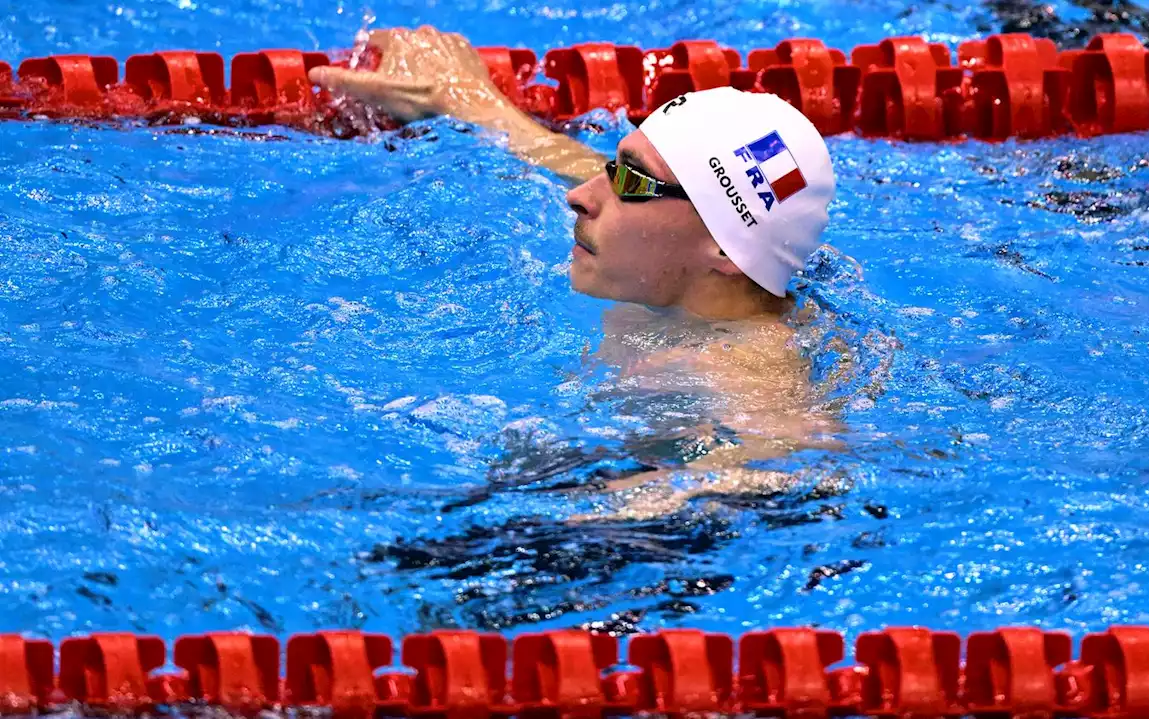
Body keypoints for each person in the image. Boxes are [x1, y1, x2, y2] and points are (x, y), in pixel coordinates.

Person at [309, 27, 873, 519]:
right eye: (610, 165)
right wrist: (476, 104)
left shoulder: (737, 363)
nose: (580, 196)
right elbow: (602, 171)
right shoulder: (698, 265)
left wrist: (602, 514)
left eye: (629, 180)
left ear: (724, 251)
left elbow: (804, 461)